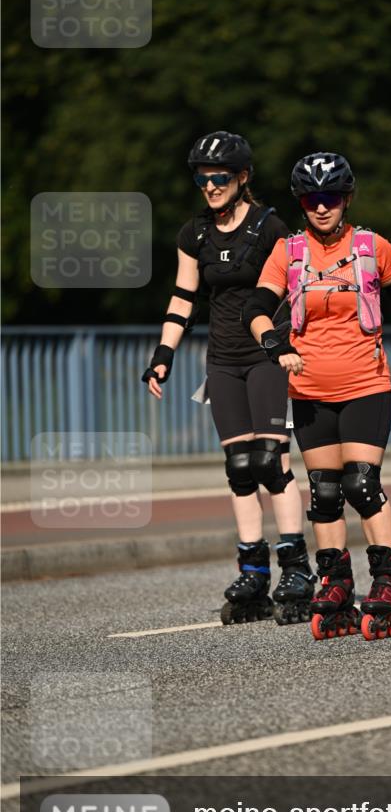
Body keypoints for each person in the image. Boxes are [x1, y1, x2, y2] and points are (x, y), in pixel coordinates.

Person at [243, 152, 391, 641]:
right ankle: (334, 582)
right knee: (325, 493)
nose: (321, 207)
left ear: (346, 199)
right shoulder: (289, 252)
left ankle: (390, 583)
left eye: (329, 198)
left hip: (366, 385)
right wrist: (274, 342)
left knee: (361, 486)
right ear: (301, 203)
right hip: (308, 389)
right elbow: (258, 306)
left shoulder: (373, 247)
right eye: (311, 199)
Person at [142, 131, 315, 625]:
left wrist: (291, 348)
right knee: (239, 466)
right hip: (222, 361)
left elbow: (290, 290)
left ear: (243, 178)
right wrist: (163, 355)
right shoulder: (193, 234)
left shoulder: (269, 226)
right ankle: (253, 570)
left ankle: (297, 568)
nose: (210, 186)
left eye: (219, 177)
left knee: (269, 460)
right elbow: (183, 298)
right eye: (202, 178)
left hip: (265, 357)